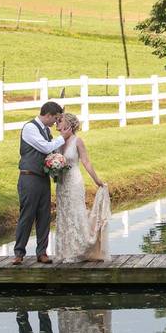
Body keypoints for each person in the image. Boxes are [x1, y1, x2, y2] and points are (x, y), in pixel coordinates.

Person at [54, 112, 111, 263]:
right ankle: (64, 251)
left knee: (75, 212)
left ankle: (79, 250)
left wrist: (97, 180)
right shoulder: (58, 142)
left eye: (60, 121)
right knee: (64, 214)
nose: (57, 124)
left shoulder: (77, 141)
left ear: (69, 125)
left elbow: (86, 162)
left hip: (73, 182)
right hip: (61, 183)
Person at [13, 102, 65, 265]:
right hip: (29, 178)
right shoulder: (30, 128)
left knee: (44, 216)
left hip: (43, 178)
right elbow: (44, 147)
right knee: (27, 215)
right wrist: (63, 137)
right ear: (48, 115)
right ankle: (19, 253)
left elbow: (51, 151)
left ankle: (42, 252)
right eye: (55, 119)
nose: (55, 123)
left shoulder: (46, 131)